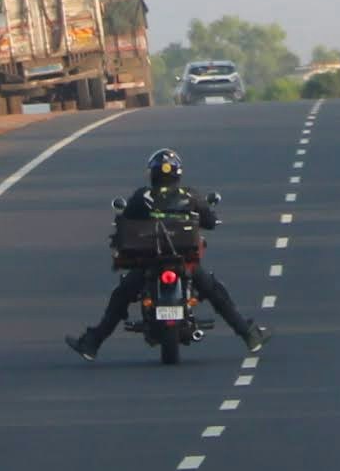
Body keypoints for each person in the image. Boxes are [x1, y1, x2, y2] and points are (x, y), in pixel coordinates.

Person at [74, 148, 264, 355]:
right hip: (185, 262)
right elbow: (209, 221)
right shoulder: (190, 195)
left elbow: (125, 221)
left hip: (149, 262)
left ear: (152, 173)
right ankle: (248, 335)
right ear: (178, 173)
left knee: (121, 296)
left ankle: (92, 343)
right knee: (215, 292)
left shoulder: (142, 196)